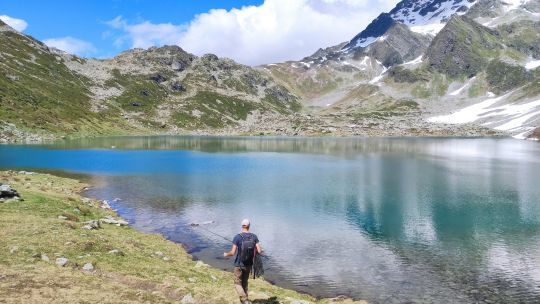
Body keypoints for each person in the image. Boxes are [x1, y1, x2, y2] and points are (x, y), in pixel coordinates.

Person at [223, 219, 262, 304]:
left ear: (242, 226)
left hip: (239, 265)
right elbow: (259, 251)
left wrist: (226, 254)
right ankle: (245, 301)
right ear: (249, 225)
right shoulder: (254, 237)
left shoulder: (237, 237)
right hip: (248, 265)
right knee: (244, 283)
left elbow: (232, 253)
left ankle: (244, 300)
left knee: (237, 283)